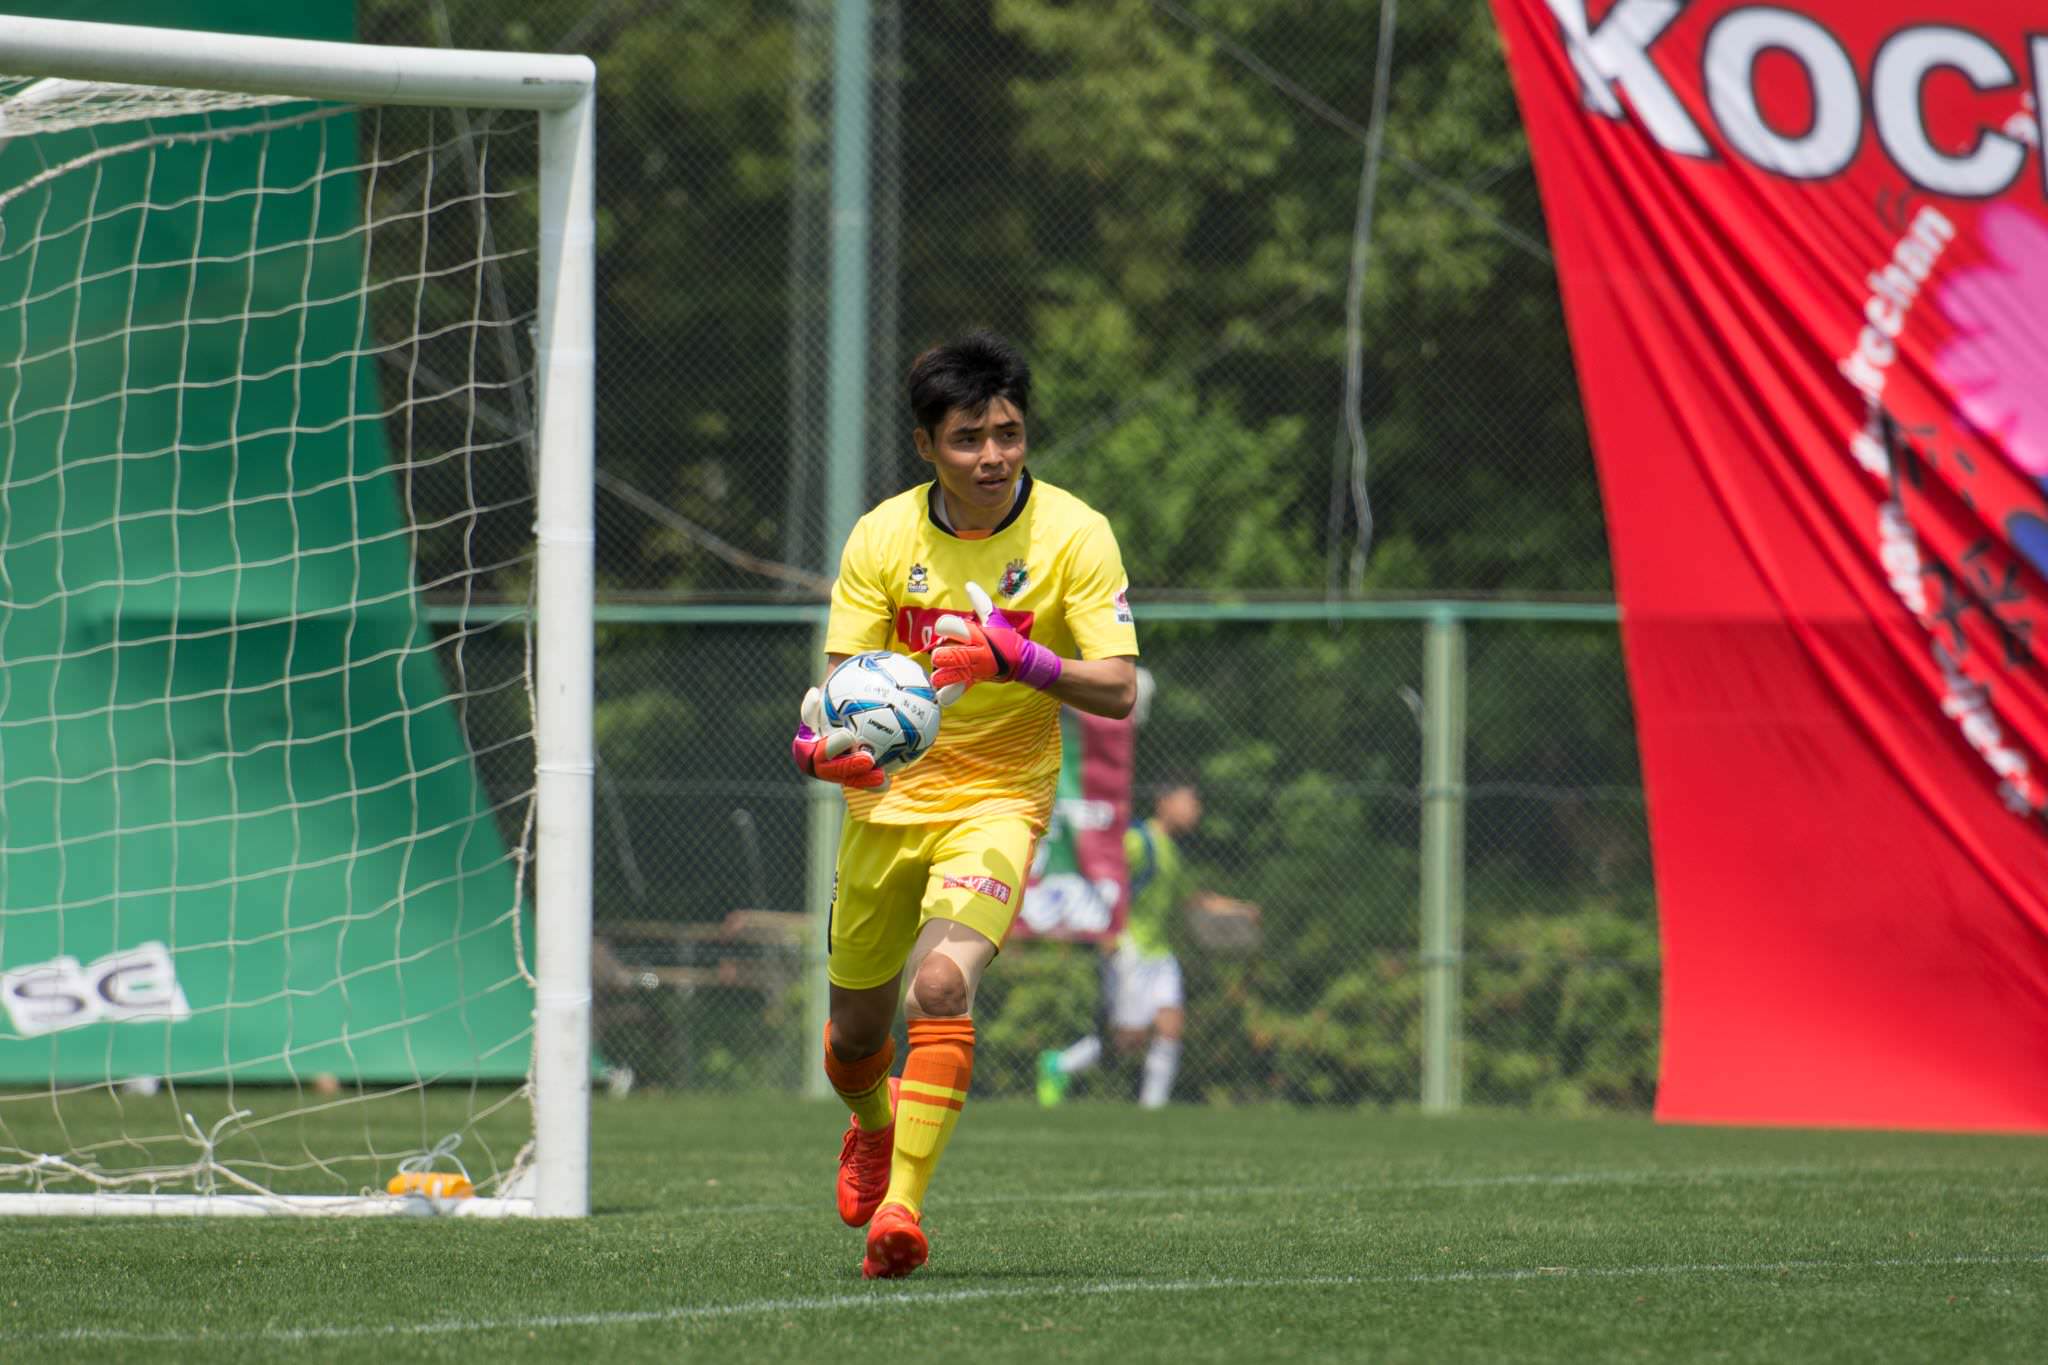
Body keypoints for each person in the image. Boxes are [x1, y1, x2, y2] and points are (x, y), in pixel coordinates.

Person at [790, 330, 1139, 1279]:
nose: (993, 456)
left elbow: (1118, 688)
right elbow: (839, 697)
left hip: (999, 798)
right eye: (968, 438)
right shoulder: (882, 537)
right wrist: (829, 756)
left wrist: (1021, 659)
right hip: (890, 806)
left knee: (940, 987)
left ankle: (901, 1210)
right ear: (926, 445)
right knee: (854, 1040)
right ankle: (871, 1124)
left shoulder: (1075, 534)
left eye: (1008, 434)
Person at [1036, 780, 1259, 1109]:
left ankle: (1153, 1109)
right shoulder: (1137, 841)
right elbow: (1104, 881)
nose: (1196, 810)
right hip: (1130, 948)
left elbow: (1193, 899)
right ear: (1164, 801)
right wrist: (1107, 932)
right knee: (1129, 1038)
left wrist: (1239, 909)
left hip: (1160, 953)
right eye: (1189, 801)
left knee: (1171, 1025)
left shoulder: (1172, 851)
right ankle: (1060, 1064)